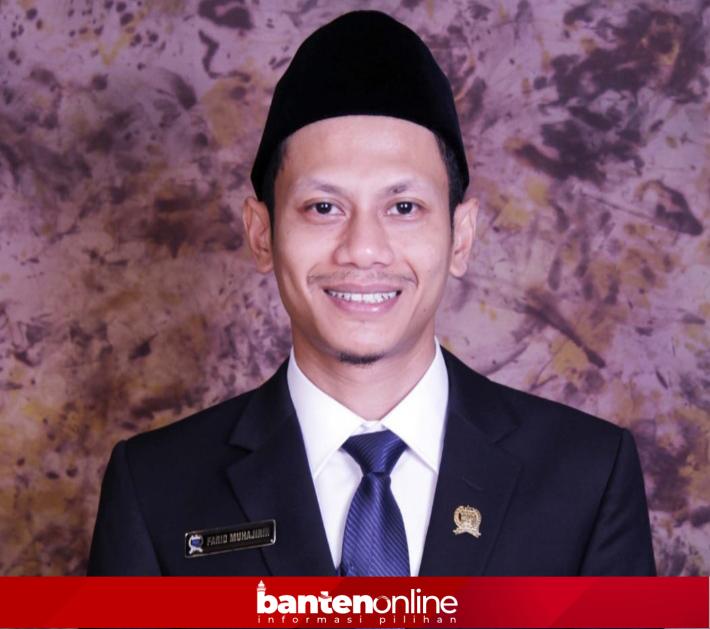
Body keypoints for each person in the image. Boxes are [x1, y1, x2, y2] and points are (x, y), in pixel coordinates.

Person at [88, 10, 655, 577]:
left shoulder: (587, 478)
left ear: (461, 237)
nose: (363, 249)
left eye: (404, 207)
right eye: (323, 207)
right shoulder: (156, 489)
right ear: (262, 235)